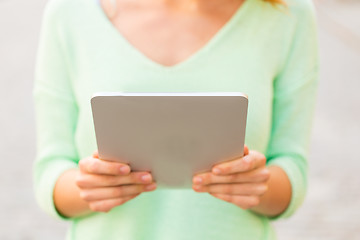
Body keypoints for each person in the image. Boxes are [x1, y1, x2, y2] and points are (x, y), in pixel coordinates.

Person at [33, 0, 319, 239]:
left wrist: (259, 185)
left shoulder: (288, 14)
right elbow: (51, 171)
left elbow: (292, 166)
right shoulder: (70, 13)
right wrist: (88, 188)